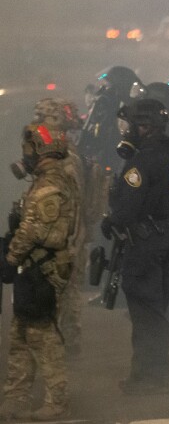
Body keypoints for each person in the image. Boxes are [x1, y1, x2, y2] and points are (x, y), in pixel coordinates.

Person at [101, 98, 169, 394]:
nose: (126, 132)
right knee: (157, 309)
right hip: (168, 237)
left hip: (146, 243)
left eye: (130, 126)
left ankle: (151, 379)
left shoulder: (142, 162)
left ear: (145, 126)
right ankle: (148, 375)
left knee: (146, 314)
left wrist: (111, 218)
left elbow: (128, 209)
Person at [0, 124, 79, 421]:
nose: (25, 154)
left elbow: (34, 231)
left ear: (40, 150)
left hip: (43, 268)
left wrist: (10, 258)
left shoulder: (49, 187)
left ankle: (57, 401)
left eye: (29, 148)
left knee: (42, 335)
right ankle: (17, 396)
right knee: (20, 333)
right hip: (32, 266)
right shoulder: (45, 180)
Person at [28, 99, 88, 357]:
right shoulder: (54, 150)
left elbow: (73, 199)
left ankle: (66, 342)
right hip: (60, 232)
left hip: (65, 234)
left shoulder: (66, 155)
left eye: (43, 118)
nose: (37, 124)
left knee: (66, 290)